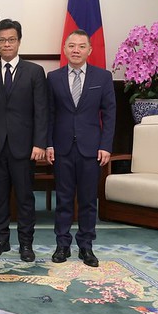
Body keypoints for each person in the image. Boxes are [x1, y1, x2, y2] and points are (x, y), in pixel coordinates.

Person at [46, 29, 115, 268]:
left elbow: (109, 114)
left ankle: (86, 245)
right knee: (63, 199)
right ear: (65, 49)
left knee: (88, 201)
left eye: (81, 46)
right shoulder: (53, 77)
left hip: (91, 148)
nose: (76, 50)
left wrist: (106, 145)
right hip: (62, 147)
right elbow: (49, 114)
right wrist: (49, 143)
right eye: (72, 46)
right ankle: (62, 244)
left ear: (89, 50)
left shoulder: (102, 77)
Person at [0, 19, 47, 263]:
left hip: (25, 147)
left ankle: (26, 243)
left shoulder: (34, 72)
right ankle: (1, 240)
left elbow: (41, 111)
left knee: (25, 198)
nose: (7, 44)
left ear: (19, 41)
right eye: (2, 40)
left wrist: (40, 143)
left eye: (11, 39)